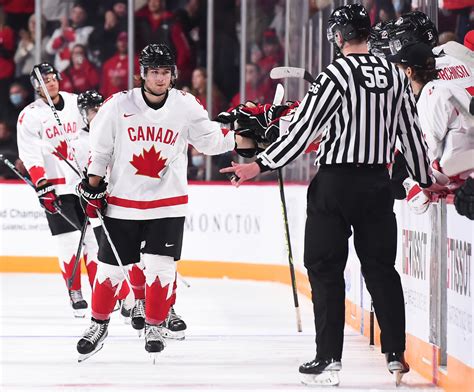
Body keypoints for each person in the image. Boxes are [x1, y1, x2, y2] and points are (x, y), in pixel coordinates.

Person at [220, 3, 432, 386]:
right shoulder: (394, 75)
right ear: (368, 33)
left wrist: (260, 164)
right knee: (381, 269)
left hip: (335, 185)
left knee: (325, 269)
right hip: (377, 185)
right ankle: (396, 355)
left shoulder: (334, 74)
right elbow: (412, 136)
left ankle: (329, 358)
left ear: (337, 36)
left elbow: (302, 131)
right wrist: (424, 178)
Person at [75, 43, 255, 362]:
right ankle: (98, 325)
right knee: (110, 269)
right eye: (154, 72)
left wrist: (244, 138)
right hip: (123, 202)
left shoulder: (185, 105)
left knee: (161, 267)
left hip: (167, 202)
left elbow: (211, 140)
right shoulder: (117, 105)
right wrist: (92, 188)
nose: (160, 78)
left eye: (165, 72)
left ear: (173, 74)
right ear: (142, 73)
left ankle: (155, 326)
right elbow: (100, 151)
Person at [16, 63, 99, 318]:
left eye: (52, 78)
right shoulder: (29, 115)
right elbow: (30, 154)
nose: (50, 83)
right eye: (44, 81)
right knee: (69, 241)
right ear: (36, 87)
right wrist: (43, 185)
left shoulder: (76, 103)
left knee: (94, 241)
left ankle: (101, 292)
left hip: (84, 184)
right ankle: (75, 291)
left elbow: (96, 131)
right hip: (57, 186)